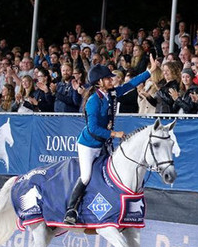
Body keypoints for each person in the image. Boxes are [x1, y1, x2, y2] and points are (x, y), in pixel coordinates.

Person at [64, 56, 158, 224]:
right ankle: (71, 210)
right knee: (86, 177)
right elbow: (93, 128)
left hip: (103, 143)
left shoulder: (112, 94)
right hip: (88, 145)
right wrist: (115, 134)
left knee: (111, 172)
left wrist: (149, 71)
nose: (111, 80)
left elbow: (130, 85)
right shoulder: (93, 101)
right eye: (108, 78)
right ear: (99, 82)